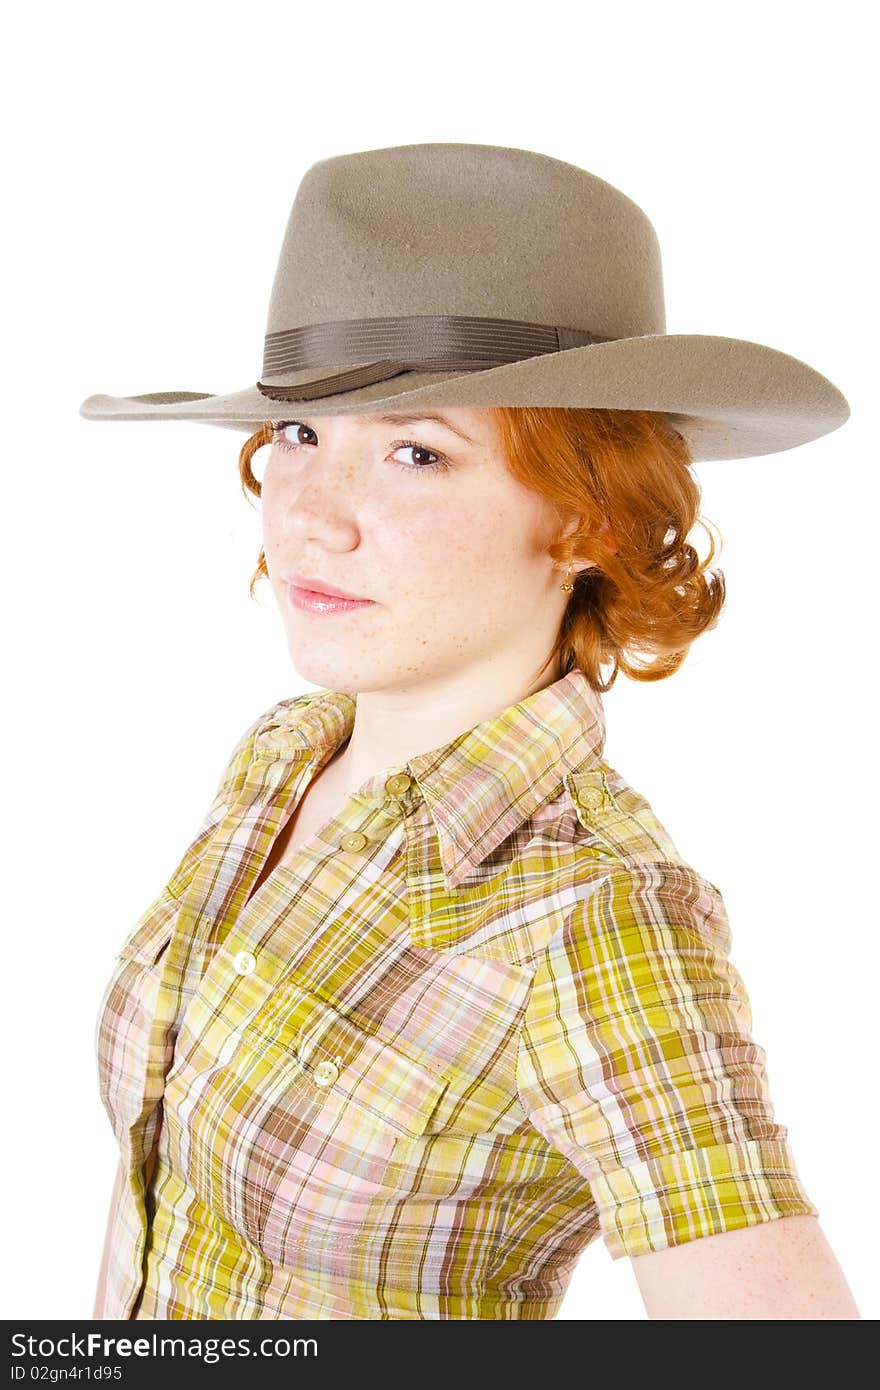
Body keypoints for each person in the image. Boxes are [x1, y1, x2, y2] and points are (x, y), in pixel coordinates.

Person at [81, 142, 860, 1320]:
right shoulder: (284, 755)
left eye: (414, 450)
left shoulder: (597, 914)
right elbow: (156, 1201)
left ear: (587, 516)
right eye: (297, 435)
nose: (308, 519)